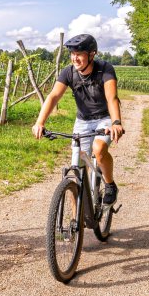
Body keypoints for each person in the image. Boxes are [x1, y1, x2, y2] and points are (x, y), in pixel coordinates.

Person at [31, 34, 125, 205]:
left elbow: (112, 98)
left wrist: (116, 122)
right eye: (72, 54)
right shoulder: (69, 72)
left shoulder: (105, 69)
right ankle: (77, 223)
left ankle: (110, 185)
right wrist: (40, 122)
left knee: (99, 148)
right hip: (83, 121)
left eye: (79, 54)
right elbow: (53, 96)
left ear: (91, 54)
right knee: (78, 170)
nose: (75, 58)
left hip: (104, 118)